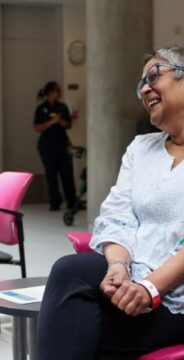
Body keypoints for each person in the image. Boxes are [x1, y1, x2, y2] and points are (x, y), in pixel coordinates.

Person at [37, 46, 184, 359]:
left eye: (154, 75)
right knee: (70, 272)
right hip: (135, 276)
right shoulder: (141, 148)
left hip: (175, 295)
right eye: (141, 83)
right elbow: (118, 216)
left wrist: (151, 287)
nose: (145, 88)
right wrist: (118, 265)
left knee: (80, 329)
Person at [33, 81, 77, 211]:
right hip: (47, 146)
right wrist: (52, 122)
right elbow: (37, 127)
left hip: (62, 144)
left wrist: (62, 122)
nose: (58, 93)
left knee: (67, 174)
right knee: (51, 174)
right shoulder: (41, 109)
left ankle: (71, 201)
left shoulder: (62, 107)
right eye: (56, 90)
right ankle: (55, 202)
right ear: (49, 92)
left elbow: (69, 125)